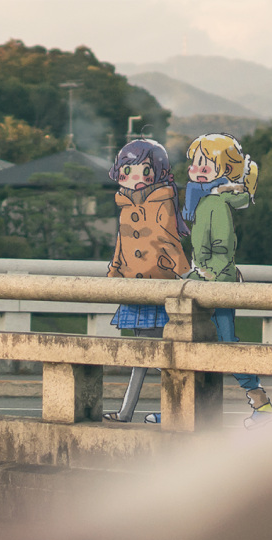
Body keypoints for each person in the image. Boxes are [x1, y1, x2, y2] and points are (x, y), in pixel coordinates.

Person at [145, 132, 272, 429]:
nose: (198, 167)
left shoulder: (215, 204)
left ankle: (262, 405)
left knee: (226, 345)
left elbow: (222, 247)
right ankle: (180, 407)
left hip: (217, 284)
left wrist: (206, 275)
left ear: (226, 169)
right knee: (190, 342)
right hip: (206, 281)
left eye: (207, 162)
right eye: (196, 161)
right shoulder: (206, 200)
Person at [103, 139, 191, 422]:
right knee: (145, 358)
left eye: (144, 170)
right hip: (135, 291)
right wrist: (114, 271)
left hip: (157, 290)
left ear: (160, 171)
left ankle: (176, 408)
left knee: (153, 358)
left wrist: (185, 276)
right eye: (128, 170)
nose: (136, 177)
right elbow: (122, 244)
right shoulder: (126, 205)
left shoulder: (162, 202)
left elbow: (169, 242)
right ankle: (135, 411)